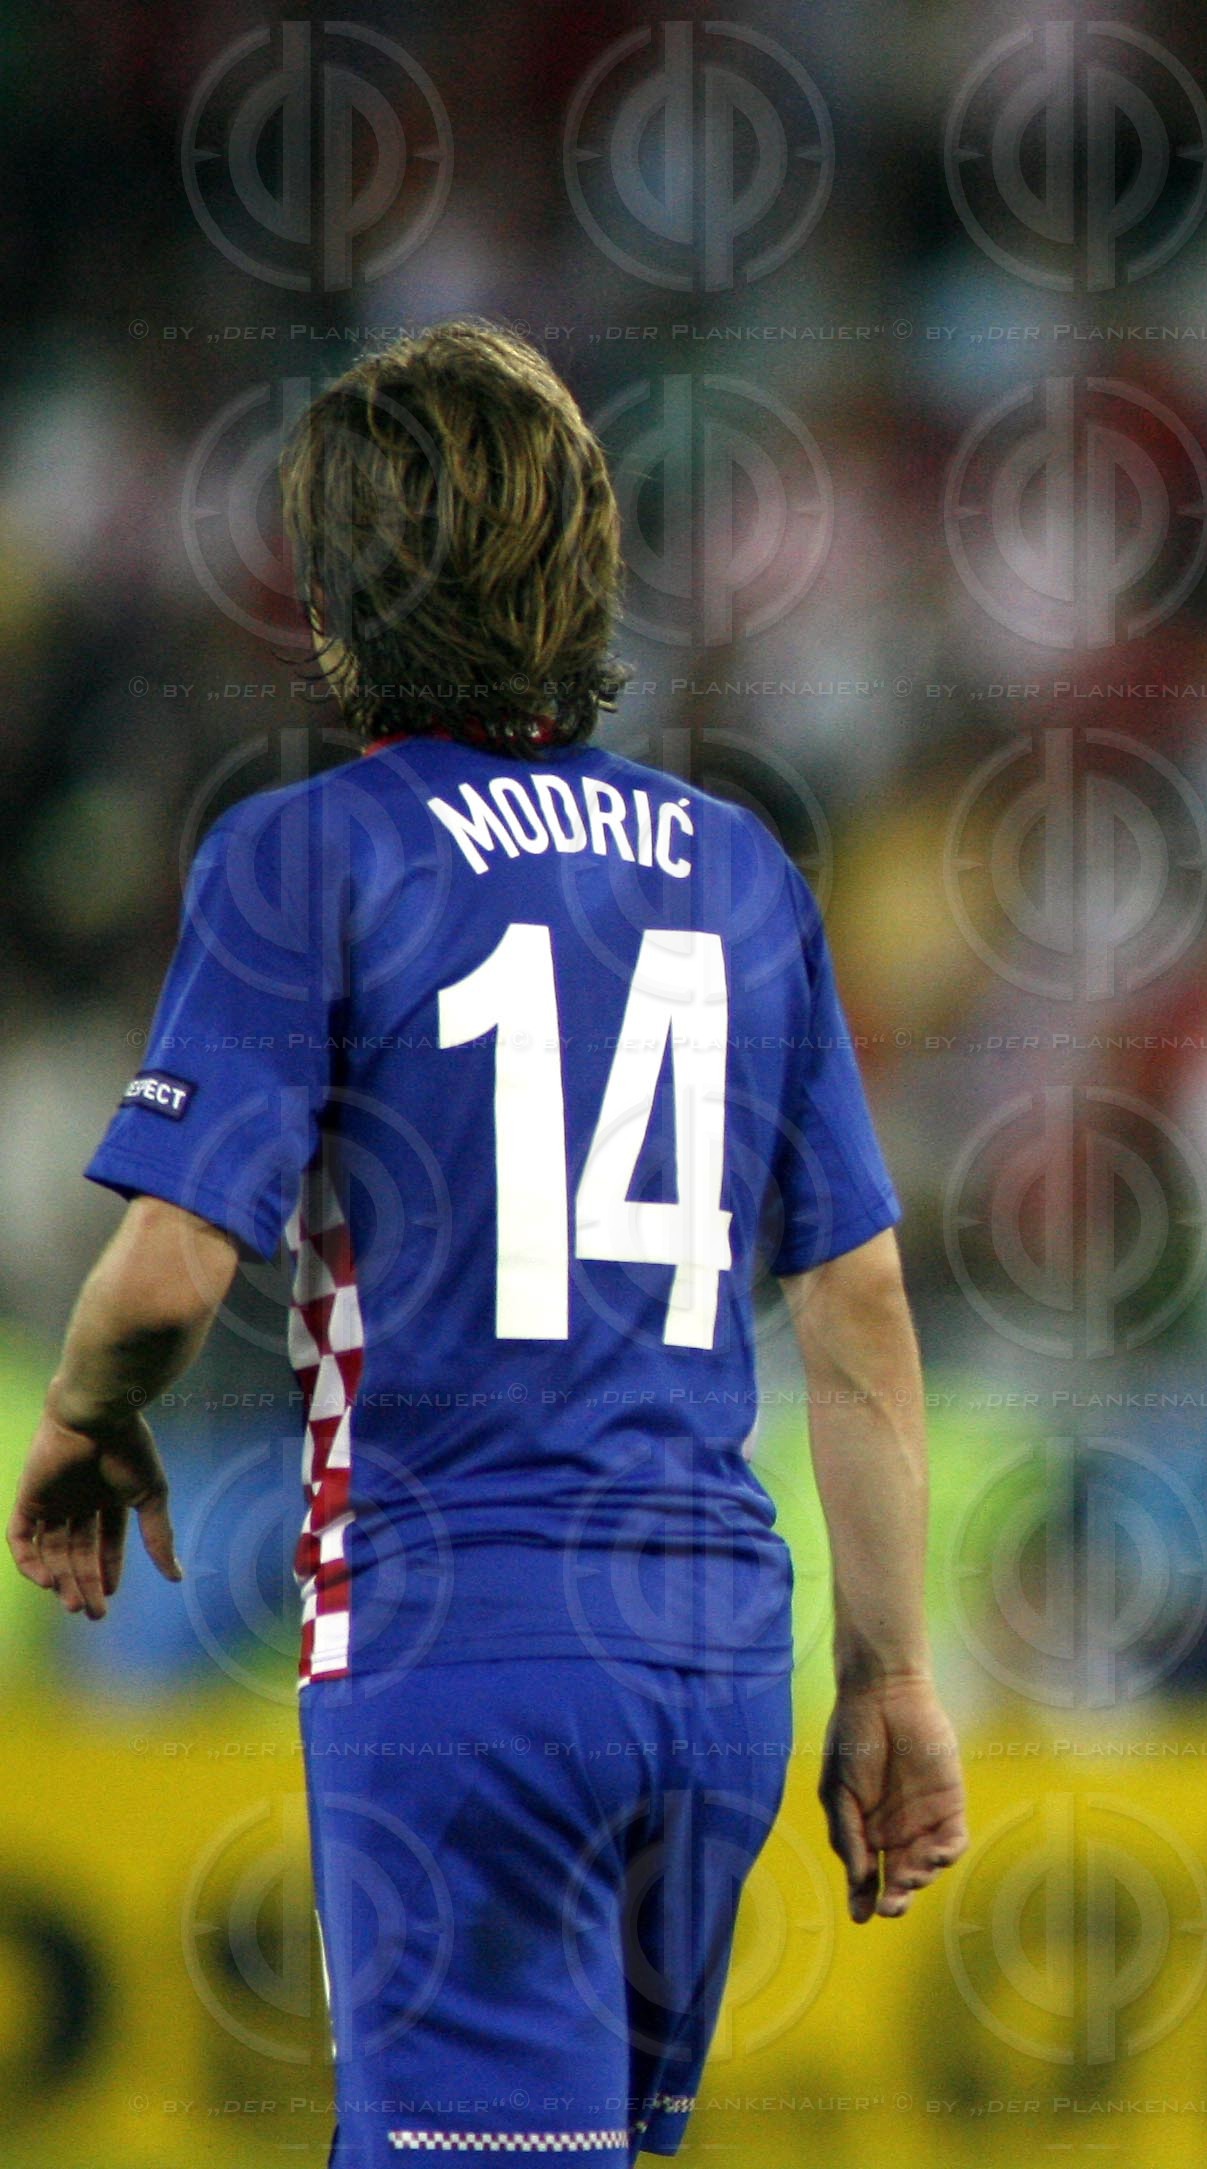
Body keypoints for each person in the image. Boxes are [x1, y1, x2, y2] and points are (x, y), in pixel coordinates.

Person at [6, 319, 967, 2165]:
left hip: (465, 1647)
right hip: (714, 1660)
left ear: (337, 590)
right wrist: (898, 1679)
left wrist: (78, 1410)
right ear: (586, 569)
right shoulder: (739, 862)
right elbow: (856, 1301)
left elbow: (172, 1270)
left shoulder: (302, 854)